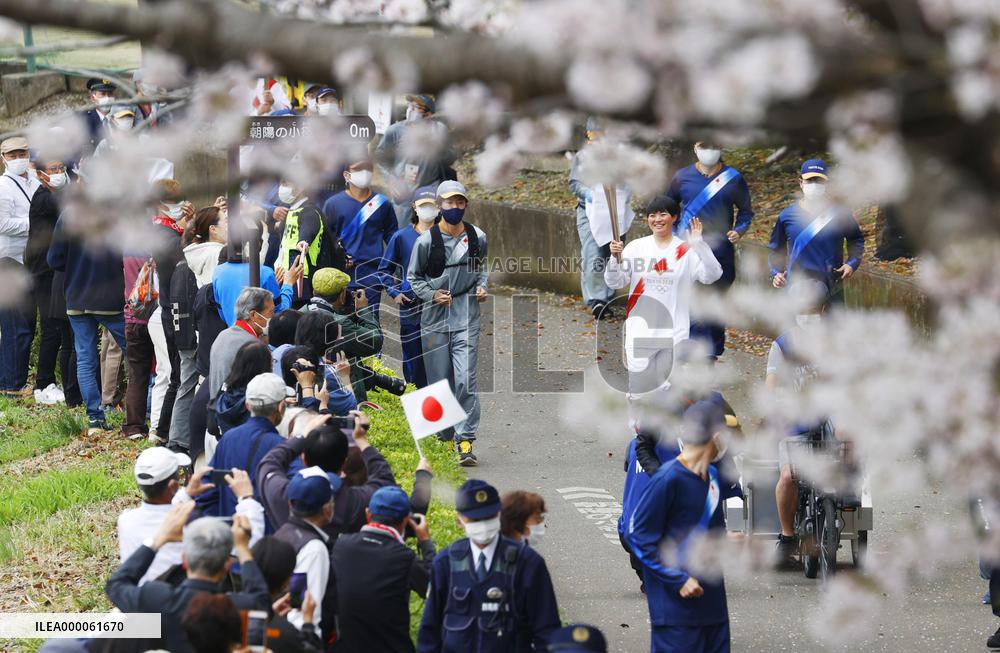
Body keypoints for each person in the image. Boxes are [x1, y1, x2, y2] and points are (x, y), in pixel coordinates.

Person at [627, 401, 734, 653]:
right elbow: (638, 537)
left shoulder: (713, 477)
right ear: (717, 436)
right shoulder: (667, 480)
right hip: (676, 612)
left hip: (714, 608)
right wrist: (677, 579)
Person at [104, 503, 271, 653]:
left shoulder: (156, 599)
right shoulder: (237, 607)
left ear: (184, 560)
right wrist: (242, 549)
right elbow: (262, 601)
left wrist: (159, 538)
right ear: (226, 565)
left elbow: (116, 585)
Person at [418, 479, 560, 652]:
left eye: (488, 516)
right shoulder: (445, 563)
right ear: (459, 520)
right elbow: (429, 631)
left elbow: (547, 631)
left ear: (499, 515)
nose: (483, 524)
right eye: (475, 519)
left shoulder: (528, 563)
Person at [604, 196, 722, 399]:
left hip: (674, 333)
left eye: (663, 214)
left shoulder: (685, 251)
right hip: (640, 330)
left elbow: (712, 275)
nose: (657, 219)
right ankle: (638, 430)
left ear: (674, 217)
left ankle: (666, 431)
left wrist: (700, 246)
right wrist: (614, 260)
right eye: (652, 215)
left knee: (668, 393)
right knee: (639, 390)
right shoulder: (636, 248)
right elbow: (615, 282)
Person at [407, 180, 488, 466]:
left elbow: (481, 269)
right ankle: (444, 433)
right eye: (449, 202)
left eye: (460, 202)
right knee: (439, 382)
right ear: (440, 205)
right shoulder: (426, 241)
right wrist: (431, 294)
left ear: (466, 205)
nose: (455, 208)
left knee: (466, 380)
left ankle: (465, 440)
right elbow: (413, 277)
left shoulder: (477, 237)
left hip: (466, 316)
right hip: (434, 320)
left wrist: (481, 286)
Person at [118, 446, 265, 585]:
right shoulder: (194, 527)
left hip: (142, 606)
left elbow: (160, 512)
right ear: (173, 486)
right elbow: (248, 544)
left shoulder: (125, 520)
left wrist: (186, 494)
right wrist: (246, 499)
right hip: (182, 606)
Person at [46, 190, 128, 433]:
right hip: (109, 298)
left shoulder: (68, 215)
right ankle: (141, 410)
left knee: (85, 358)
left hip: (76, 297)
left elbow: (54, 260)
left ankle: (94, 417)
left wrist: (75, 263)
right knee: (135, 352)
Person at [666, 141, 754, 360]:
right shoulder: (681, 177)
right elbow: (669, 209)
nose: (709, 151)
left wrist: (739, 230)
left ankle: (712, 352)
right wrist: (675, 235)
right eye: (704, 146)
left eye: (713, 145)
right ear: (695, 148)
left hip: (720, 251)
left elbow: (746, 212)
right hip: (688, 249)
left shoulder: (733, 178)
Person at [331, 485, 436, 653]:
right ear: (405, 522)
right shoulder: (405, 559)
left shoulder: (341, 546)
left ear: (368, 514)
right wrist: (425, 542)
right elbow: (435, 587)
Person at [256, 416, 397, 537]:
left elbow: (268, 463)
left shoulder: (282, 494)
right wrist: (362, 440)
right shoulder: (355, 501)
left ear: (304, 459)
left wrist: (302, 436)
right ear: (344, 462)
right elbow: (384, 481)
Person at [198, 372, 297, 529]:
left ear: (247, 405)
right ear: (281, 406)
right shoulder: (283, 448)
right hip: (269, 541)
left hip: (230, 536)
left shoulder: (228, 439)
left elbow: (207, 488)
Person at [169, 204, 229, 452]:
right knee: (207, 383)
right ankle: (200, 439)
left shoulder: (190, 252)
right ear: (213, 229)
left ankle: (177, 439)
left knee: (187, 383)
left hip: (188, 325)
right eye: (226, 221)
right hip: (208, 328)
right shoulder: (217, 254)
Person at [768, 159, 864, 304]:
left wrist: (851, 263)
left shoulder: (839, 214)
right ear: (801, 182)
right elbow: (776, 249)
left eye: (818, 181)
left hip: (831, 287)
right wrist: (776, 273)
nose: (814, 185)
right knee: (794, 327)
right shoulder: (787, 216)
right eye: (809, 180)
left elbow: (856, 240)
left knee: (832, 326)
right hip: (796, 288)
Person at [26, 156, 80, 406]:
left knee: (59, 327)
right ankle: (42, 384)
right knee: (50, 328)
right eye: (53, 169)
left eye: (61, 168)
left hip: (56, 270)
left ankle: (49, 381)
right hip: (44, 271)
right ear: (40, 174)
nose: (59, 173)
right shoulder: (43, 198)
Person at [307, 267, 404, 402]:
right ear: (341, 295)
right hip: (341, 396)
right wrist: (363, 310)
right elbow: (374, 340)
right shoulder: (338, 323)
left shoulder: (301, 313)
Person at [376, 184, 437, 387]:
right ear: (414, 207)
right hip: (411, 308)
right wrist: (394, 292)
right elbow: (384, 270)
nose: (428, 209)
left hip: (439, 308)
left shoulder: (447, 238)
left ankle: (441, 411)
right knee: (413, 360)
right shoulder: (401, 237)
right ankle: (415, 403)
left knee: (438, 360)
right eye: (423, 205)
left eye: (432, 205)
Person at [322, 158, 397, 319]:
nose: (364, 173)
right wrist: (338, 257)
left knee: (370, 325)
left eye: (368, 168)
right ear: (346, 175)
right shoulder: (333, 204)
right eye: (358, 169)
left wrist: (389, 267)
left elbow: (392, 237)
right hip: (342, 276)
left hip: (372, 275)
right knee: (342, 326)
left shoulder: (383, 203)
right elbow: (326, 238)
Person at [149, 179, 194, 444]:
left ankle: (164, 432)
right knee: (177, 376)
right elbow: (183, 257)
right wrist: (189, 230)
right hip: (172, 310)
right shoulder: (163, 235)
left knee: (178, 375)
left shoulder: (172, 230)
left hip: (172, 308)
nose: (179, 207)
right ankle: (165, 433)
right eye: (173, 202)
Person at [274, 467, 339, 636]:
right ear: (327, 509)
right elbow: (306, 613)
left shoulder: (281, 533)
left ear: (290, 504)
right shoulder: (314, 549)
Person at [376, 94, 457, 228]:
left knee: (430, 237)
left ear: (428, 114)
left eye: (416, 107)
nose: (410, 110)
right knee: (402, 237)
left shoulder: (439, 130)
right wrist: (391, 180)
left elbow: (451, 157)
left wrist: (438, 150)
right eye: (410, 106)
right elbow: (380, 157)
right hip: (403, 195)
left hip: (430, 192)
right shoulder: (395, 130)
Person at [0, 136, 41, 397]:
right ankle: (12, 384)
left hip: (29, 259)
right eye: (12, 155)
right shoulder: (3, 186)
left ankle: (9, 380)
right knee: (16, 325)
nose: (18, 159)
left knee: (25, 322)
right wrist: (34, 223)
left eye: (21, 153)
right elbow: (3, 224)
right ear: (3, 158)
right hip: (9, 260)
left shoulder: (34, 180)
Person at [568, 119, 616, 319]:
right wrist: (590, 194)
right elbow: (574, 184)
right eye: (594, 133)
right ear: (588, 134)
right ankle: (596, 300)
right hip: (588, 211)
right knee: (593, 253)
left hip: (613, 212)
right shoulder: (582, 157)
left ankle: (608, 297)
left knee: (611, 253)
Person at [249, 537, 324, 653]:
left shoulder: (229, 607)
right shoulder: (285, 633)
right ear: (285, 583)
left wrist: (270, 612)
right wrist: (308, 623)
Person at [275, 175, 338, 300]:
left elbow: (307, 231)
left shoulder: (310, 212)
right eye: (281, 183)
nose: (282, 188)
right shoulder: (292, 211)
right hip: (286, 277)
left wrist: (303, 242)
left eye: (286, 183)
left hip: (301, 280)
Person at [212, 238, 299, 327]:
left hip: (233, 333)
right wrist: (288, 284)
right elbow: (280, 314)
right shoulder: (265, 273)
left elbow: (222, 313)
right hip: (260, 338)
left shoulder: (218, 272)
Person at [213, 341, 274, 435]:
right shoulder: (258, 400)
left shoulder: (226, 390)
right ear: (262, 367)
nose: (273, 365)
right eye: (271, 362)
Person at [80, 78, 117, 149]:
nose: (107, 98)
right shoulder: (84, 120)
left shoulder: (122, 115)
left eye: (110, 94)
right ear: (93, 98)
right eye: (103, 94)